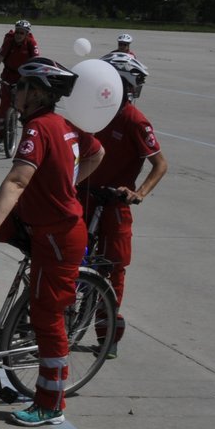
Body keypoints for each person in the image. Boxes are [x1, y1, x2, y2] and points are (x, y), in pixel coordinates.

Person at [0, 57, 104, 427]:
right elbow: (96, 152)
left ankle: (50, 402)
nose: (14, 92)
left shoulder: (40, 128)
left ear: (36, 93)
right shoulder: (64, 124)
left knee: (47, 318)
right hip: (35, 221)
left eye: (20, 87)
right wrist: (64, 186)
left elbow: (18, 180)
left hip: (58, 235)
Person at [79, 51, 166, 357]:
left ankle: (107, 333)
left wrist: (138, 192)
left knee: (113, 268)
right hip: (84, 196)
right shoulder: (93, 110)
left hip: (114, 204)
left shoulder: (134, 119)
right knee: (67, 256)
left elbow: (160, 164)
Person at [0, 20, 40, 150]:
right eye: (17, 32)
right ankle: (1, 133)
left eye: (22, 33)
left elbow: (37, 62)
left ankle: (28, 132)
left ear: (27, 34)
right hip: (8, 74)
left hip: (25, 75)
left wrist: (35, 80)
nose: (18, 35)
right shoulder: (9, 42)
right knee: (4, 103)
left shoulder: (31, 44)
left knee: (27, 105)